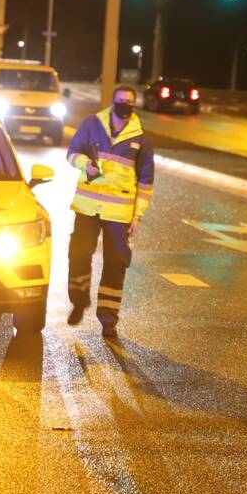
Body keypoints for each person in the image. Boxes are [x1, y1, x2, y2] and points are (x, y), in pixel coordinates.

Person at [65, 85, 154, 337]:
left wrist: (138, 215)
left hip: (119, 212)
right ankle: (79, 301)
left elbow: (146, 182)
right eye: (121, 101)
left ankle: (108, 318)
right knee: (79, 254)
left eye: (129, 102)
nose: (125, 105)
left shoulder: (142, 138)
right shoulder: (92, 124)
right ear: (113, 102)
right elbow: (72, 153)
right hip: (88, 207)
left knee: (116, 263)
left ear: (133, 106)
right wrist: (85, 165)